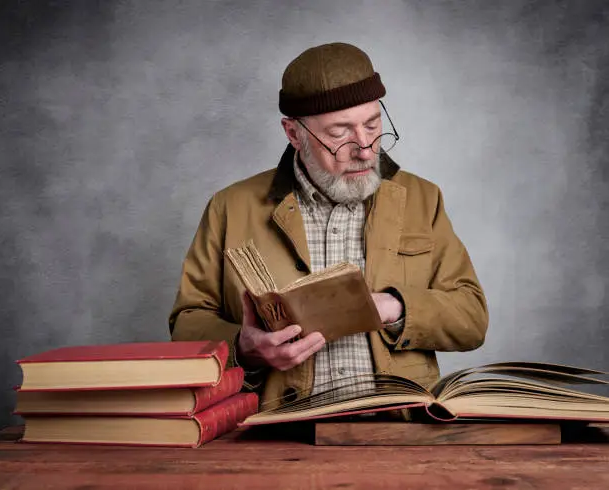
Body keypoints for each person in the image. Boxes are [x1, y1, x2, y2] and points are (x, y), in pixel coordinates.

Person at [169, 42, 488, 413]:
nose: (367, 149)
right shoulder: (230, 207)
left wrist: (393, 305)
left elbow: (472, 317)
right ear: (293, 134)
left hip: (402, 432)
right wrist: (243, 347)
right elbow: (187, 323)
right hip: (276, 437)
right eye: (340, 133)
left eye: (372, 124)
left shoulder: (424, 198)